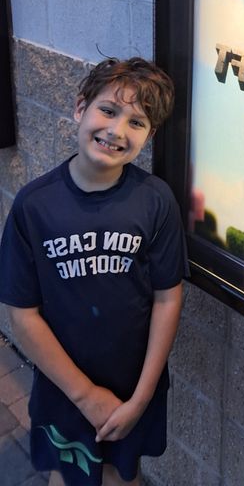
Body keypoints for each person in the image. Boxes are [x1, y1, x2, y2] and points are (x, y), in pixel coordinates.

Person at [0, 58, 189, 486]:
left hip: (132, 386)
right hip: (62, 385)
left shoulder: (156, 201)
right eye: (108, 110)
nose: (117, 130)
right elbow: (22, 313)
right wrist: (84, 394)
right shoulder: (34, 206)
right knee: (67, 475)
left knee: (122, 474)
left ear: (149, 136)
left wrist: (141, 398)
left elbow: (168, 297)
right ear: (80, 108)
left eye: (136, 122)